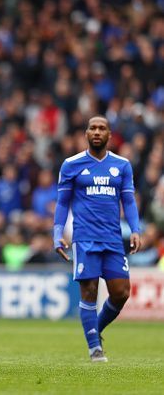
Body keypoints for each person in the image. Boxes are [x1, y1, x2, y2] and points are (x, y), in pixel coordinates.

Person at [53, 116, 142, 362]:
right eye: (92, 128)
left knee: (121, 292)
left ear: (109, 135)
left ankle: (95, 330)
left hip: (113, 239)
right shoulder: (72, 164)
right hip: (85, 238)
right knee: (89, 290)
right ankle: (95, 349)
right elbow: (62, 203)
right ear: (86, 133)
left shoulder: (122, 165)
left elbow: (129, 201)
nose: (97, 132)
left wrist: (135, 229)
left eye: (102, 128)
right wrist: (57, 234)